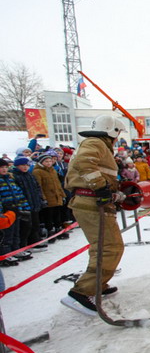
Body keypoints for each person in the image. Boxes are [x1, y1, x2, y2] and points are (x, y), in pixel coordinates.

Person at [63, 115, 128, 313]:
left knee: (105, 246)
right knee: (109, 247)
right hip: (91, 201)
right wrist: (100, 188)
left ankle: (98, 284)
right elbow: (85, 164)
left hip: (91, 202)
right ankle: (82, 292)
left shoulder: (96, 144)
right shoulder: (95, 143)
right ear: (112, 131)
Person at [0, 159, 33, 266]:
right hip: (5, 212)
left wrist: (24, 207)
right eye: (1, 168)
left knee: (16, 232)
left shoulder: (10, 179)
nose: (4, 169)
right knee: (7, 235)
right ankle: (6, 254)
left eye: (5, 167)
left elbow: (19, 195)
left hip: (15, 210)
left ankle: (16, 250)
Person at [12, 157, 47, 251]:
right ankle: (24, 245)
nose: (25, 167)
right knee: (25, 227)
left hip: (34, 204)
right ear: (17, 166)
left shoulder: (30, 175)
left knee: (35, 224)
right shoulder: (15, 177)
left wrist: (40, 200)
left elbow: (37, 188)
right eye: (23, 165)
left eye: (27, 165)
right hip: (24, 206)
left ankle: (34, 242)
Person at [33, 153, 68, 242]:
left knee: (57, 214)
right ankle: (50, 231)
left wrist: (62, 195)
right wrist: (43, 198)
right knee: (48, 215)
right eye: (46, 161)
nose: (49, 163)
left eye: (50, 161)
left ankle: (58, 229)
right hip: (47, 197)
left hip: (56, 196)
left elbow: (58, 184)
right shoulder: (37, 171)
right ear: (41, 162)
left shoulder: (52, 170)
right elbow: (39, 186)